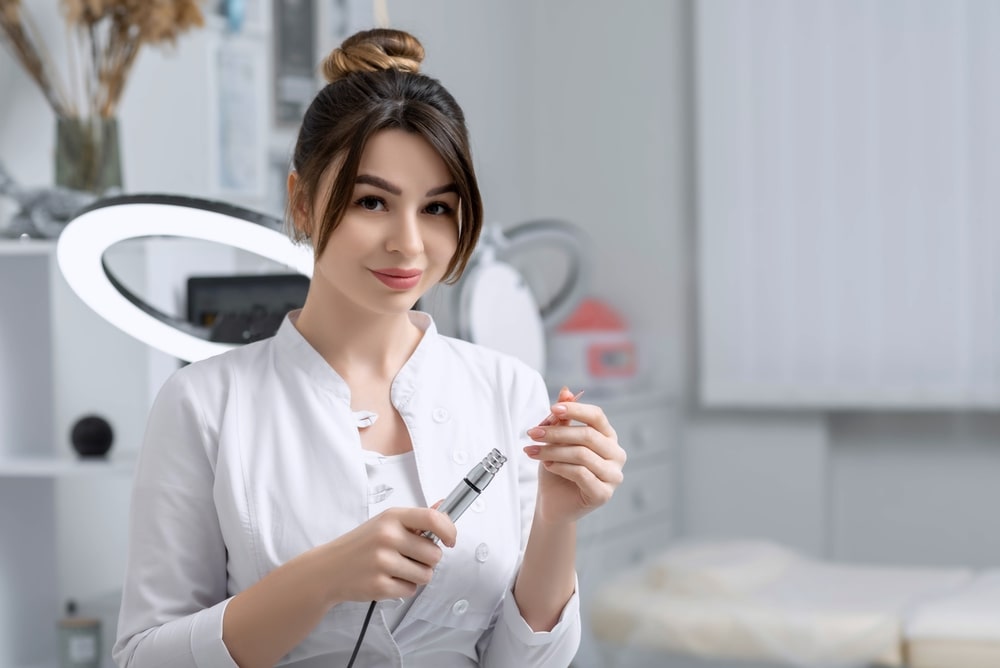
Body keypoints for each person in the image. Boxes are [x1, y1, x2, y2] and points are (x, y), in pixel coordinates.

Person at [113, 28, 626, 668]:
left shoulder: (508, 388)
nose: (407, 243)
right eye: (372, 201)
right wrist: (323, 578)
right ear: (301, 202)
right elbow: (142, 659)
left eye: (436, 209)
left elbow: (528, 661)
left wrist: (556, 521)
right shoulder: (205, 403)